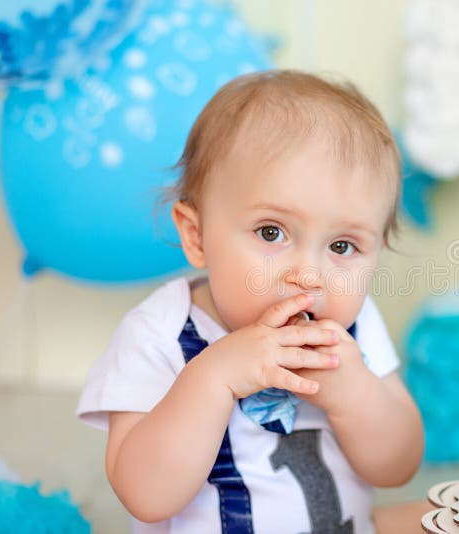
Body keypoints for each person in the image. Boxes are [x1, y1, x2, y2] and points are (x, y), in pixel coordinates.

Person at [77, 70, 428, 534]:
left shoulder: (354, 325)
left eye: (342, 246)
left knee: (455, 515)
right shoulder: (159, 333)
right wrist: (214, 378)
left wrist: (355, 393)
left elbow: (398, 466)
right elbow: (145, 496)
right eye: (271, 232)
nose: (308, 274)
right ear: (197, 235)